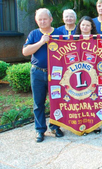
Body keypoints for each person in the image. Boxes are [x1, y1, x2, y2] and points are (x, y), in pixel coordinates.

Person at [22, 8, 64, 143]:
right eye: (39, 19)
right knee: (38, 103)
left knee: (56, 101)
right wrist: (41, 42)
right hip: (38, 72)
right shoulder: (34, 34)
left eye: (44, 19)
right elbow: (25, 51)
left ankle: (55, 126)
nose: (42, 21)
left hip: (56, 74)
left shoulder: (58, 33)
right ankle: (40, 130)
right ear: (36, 21)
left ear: (51, 19)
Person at [74, 16, 102, 134]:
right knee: (80, 99)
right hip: (78, 74)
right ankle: (81, 123)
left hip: (93, 73)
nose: (85, 27)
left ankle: (95, 124)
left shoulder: (97, 39)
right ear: (79, 26)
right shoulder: (73, 40)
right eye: (83, 25)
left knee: (94, 98)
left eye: (87, 25)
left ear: (92, 27)